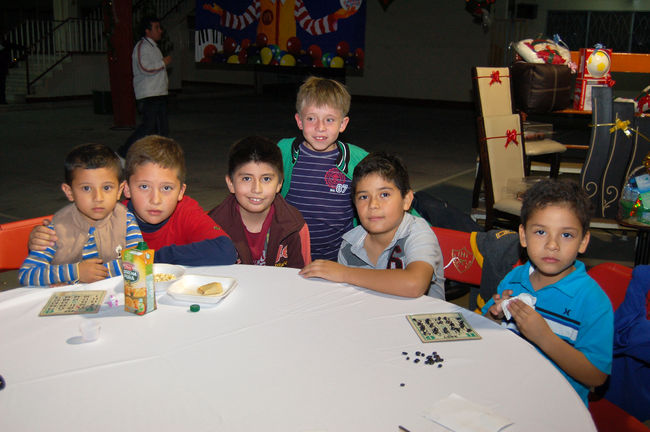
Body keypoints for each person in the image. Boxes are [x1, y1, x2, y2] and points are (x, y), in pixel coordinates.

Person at [482, 179, 613, 405]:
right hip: (505, 392)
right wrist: (495, 315)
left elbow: (596, 376)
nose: (553, 245)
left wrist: (544, 337)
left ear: (583, 241)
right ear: (523, 236)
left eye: (566, 235)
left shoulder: (592, 301)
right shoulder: (514, 279)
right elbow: (484, 330)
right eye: (541, 232)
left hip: (557, 406)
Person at [29, 136, 237, 266]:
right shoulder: (106, 217)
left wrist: (146, 259)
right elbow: (60, 256)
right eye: (144, 187)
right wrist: (41, 242)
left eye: (166, 188)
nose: (155, 199)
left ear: (181, 191)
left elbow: (225, 251)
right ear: (126, 188)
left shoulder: (185, 210)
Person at [299, 152, 445, 299]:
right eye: (363, 197)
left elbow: (414, 285)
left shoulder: (417, 232)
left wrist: (344, 273)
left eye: (384, 194)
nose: (373, 204)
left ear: (406, 200)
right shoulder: (349, 245)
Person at [19, 144, 143, 286]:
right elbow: (27, 274)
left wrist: (93, 274)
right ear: (69, 192)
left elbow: (139, 263)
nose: (98, 198)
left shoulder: (125, 220)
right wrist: (76, 272)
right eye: (86, 188)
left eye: (107, 187)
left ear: (119, 190)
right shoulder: (56, 230)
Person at [278, 76, 368, 261]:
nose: (320, 127)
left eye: (329, 120)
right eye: (311, 118)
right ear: (299, 121)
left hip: (337, 260)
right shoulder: (283, 152)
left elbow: (391, 190)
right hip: (288, 256)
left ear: (343, 124)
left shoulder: (358, 160)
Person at [208, 136, 311, 268]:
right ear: (231, 183)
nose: (256, 189)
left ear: (279, 184)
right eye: (246, 178)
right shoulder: (212, 226)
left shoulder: (295, 226)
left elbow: (302, 276)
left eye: (266, 179)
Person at [119, 16, 172, 157]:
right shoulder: (142, 47)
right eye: (156, 28)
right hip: (149, 95)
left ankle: (159, 158)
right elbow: (145, 68)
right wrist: (163, 63)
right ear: (147, 31)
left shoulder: (153, 47)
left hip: (158, 94)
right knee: (147, 128)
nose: (160, 31)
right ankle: (123, 153)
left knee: (162, 130)